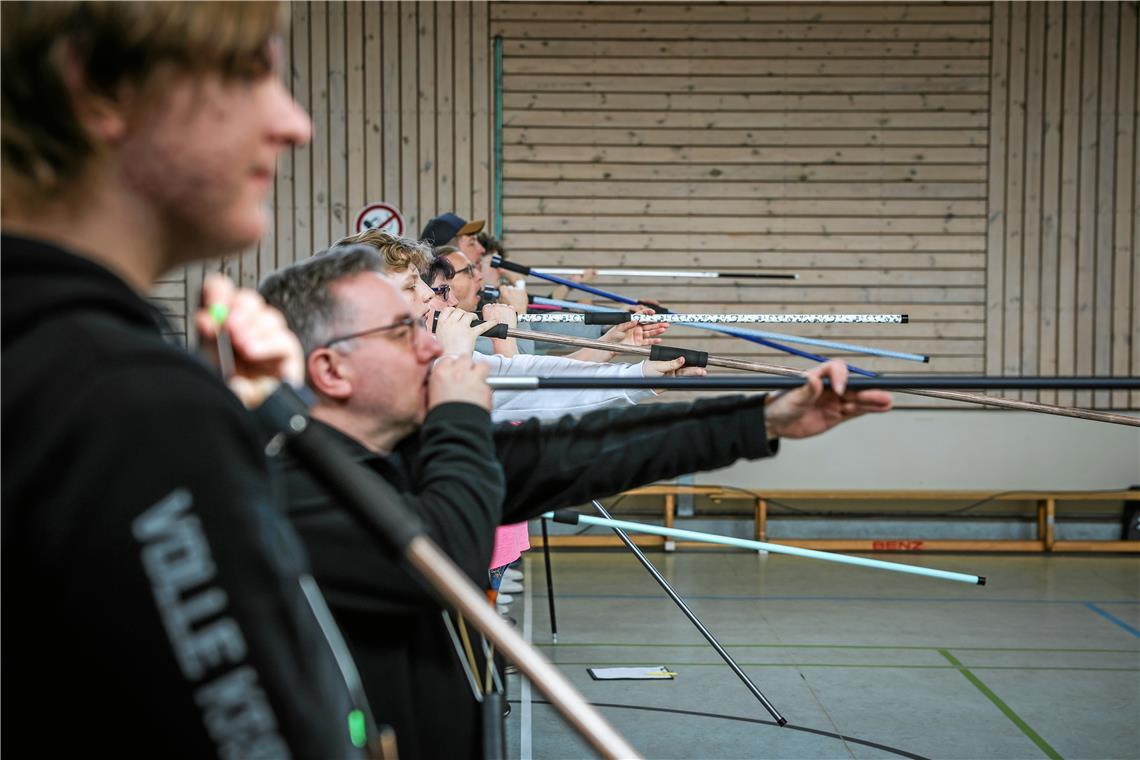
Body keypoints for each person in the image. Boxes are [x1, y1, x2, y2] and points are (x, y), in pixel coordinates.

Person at [259, 243, 892, 759]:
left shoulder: (398, 455)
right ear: (331, 371)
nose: (434, 344)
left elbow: (581, 451)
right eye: (406, 328)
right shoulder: (289, 492)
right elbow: (446, 545)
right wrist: (456, 408)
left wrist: (764, 419)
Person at [2, 3, 362, 756]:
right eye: (248, 72)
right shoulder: (130, 407)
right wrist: (181, 436)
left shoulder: (64, 373)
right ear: (102, 86)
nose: (295, 124)